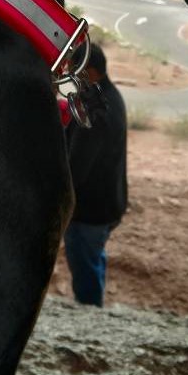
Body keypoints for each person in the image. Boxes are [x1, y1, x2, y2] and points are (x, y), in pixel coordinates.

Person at [61, 42, 128, 307]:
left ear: (87, 71)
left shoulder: (95, 112)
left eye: (72, 71)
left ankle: (89, 319)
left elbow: (75, 169)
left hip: (89, 212)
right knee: (93, 259)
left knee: (85, 270)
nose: (68, 76)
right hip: (108, 204)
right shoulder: (109, 97)